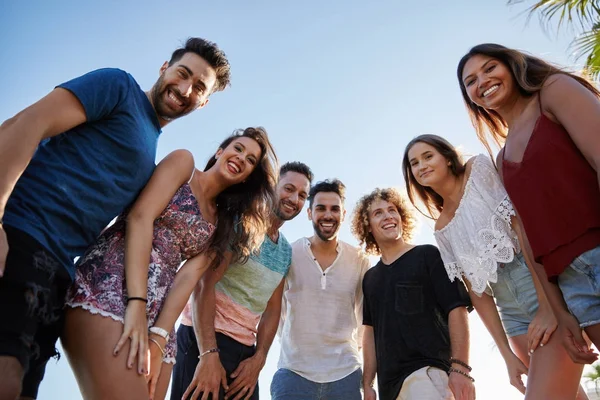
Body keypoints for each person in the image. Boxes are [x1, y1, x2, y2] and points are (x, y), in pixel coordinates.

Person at [0, 37, 231, 399]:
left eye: (199, 88)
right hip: (20, 235)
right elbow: (27, 122)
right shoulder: (118, 86)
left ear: (202, 103)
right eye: (183, 74)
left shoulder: (150, 153)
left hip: (59, 272)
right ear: (163, 69)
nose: (185, 89)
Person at [62, 127, 276, 400]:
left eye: (250, 161)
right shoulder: (184, 165)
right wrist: (137, 303)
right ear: (220, 151)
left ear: (248, 178)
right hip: (111, 281)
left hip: (159, 307)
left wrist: (160, 337)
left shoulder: (222, 224)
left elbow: (187, 278)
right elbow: (140, 217)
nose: (241, 158)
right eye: (238, 149)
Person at [403, 134, 587, 399]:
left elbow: (523, 230)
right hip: (511, 315)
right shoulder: (442, 228)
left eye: (428, 156)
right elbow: (478, 293)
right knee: (572, 395)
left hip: (541, 287)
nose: (421, 166)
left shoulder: (477, 171)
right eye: (414, 163)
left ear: (446, 156)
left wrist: (548, 305)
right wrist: (506, 354)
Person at [457, 43, 600, 366]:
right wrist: (559, 311)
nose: (481, 82)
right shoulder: (501, 159)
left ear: (512, 65)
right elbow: (530, 238)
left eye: (490, 68)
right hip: (573, 284)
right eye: (470, 81)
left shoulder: (553, 91)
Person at [172, 162, 313, 400]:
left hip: (244, 355)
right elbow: (204, 284)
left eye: (302, 195)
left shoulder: (286, 251)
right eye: (288, 188)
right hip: (203, 341)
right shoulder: (242, 223)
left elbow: (272, 308)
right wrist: (208, 354)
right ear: (272, 186)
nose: (294, 199)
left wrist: (259, 359)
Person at [351, 187, 474, 400]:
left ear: (401, 216)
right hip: (389, 389)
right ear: (367, 225)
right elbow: (369, 333)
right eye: (378, 213)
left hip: (429, 375)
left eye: (392, 210)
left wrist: (460, 368)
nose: (388, 216)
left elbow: (457, 308)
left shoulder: (427, 255)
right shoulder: (370, 279)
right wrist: (368, 383)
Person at [271, 179, 370, 400]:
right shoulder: (290, 252)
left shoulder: (359, 260)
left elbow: (366, 318)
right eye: (320, 208)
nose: (328, 215)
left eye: (334, 209)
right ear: (309, 213)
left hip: (346, 375)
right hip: (293, 373)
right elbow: (276, 310)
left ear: (343, 214)